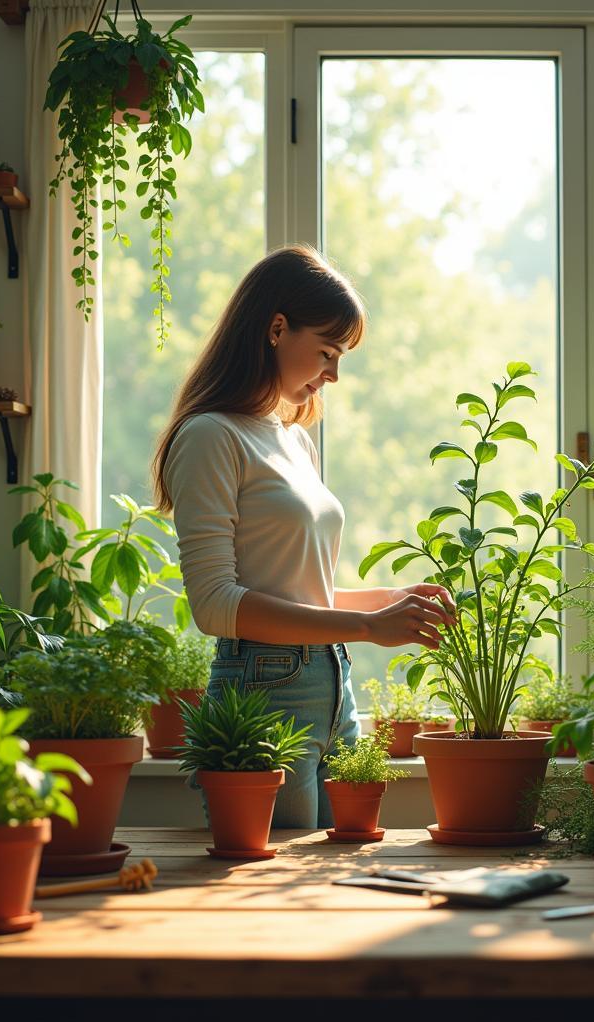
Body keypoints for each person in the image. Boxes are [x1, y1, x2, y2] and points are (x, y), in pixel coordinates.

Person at [151, 243, 456, 829]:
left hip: (331, 680)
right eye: (326, 351)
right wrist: (369, 627)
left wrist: (392, 601)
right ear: (275, 328)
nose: (333, 373)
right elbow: (215, 606)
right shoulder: (210, 436)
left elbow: (297, 593)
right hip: (264, 689)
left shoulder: (294, 440)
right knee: (272, 883)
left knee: (329, 876)